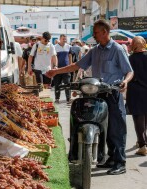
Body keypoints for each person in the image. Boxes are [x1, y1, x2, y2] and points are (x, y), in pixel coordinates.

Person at [47, 19, 133, 175]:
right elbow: (77, 66)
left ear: (105, 32)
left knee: (117, 129)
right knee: (103, 127)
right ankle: (111, 158)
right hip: (97, 94)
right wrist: (56, 71)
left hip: (113, 93)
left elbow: (129, 70)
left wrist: (125, 81)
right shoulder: (95, 50)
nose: (94, 36)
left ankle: (120, 162)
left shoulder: (118, 49)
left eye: (96, 33)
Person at [126, 36, 147, 156]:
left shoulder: (130, 59)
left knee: (138, 118)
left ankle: (142, 144)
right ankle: (143, 141)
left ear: (133, 45)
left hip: (135, 92)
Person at [54, 34, 72, 103]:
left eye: (65, 39)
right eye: (63, 39)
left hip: (66, 68)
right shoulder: (55, 47)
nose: (65, 40)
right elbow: (53, 57)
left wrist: (70, 65)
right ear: (60, 39)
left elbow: (70, 56)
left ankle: (68, 98)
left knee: (67, 84)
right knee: (57, 84)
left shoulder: (69, 46)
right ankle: (57, 98)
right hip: (58, 69)